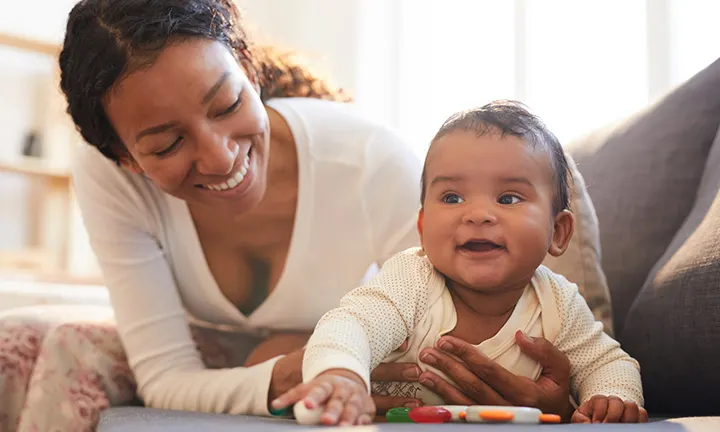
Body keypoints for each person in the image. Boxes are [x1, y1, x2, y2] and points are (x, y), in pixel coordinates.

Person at [0, 0, 592, 430]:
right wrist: (288, 366)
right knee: (29, 338)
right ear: (126, 158)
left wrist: (545, 387)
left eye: (228, 104)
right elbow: (165, 374)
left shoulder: (367, 160)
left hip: (368, 351)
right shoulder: (105, 172)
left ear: (251, 74)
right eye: (165, 145)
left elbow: (454, 335)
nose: (219, 155)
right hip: (273, 358)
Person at [271, 101, 648, 426]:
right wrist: (342, 375)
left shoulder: (558, 304)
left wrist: (610, 398)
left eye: (509, 197)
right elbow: (351, 325)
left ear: (559, 232)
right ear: (422, 227)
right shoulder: (412, 280)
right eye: (452, 198)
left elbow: (608, 361)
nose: (478, 214)